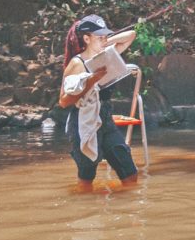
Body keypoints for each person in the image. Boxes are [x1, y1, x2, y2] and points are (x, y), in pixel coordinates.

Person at [58, 15, 138, 191]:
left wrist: (104, 41)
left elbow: (130, 35)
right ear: (86, 38)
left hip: (106, 120)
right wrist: (93, 80)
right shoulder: (77, 63)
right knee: (87, 179)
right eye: (99, 37)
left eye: (105, 37)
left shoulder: (106, 55)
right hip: (83, 122)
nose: (104, 41)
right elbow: (63, 101)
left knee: (130, 173)